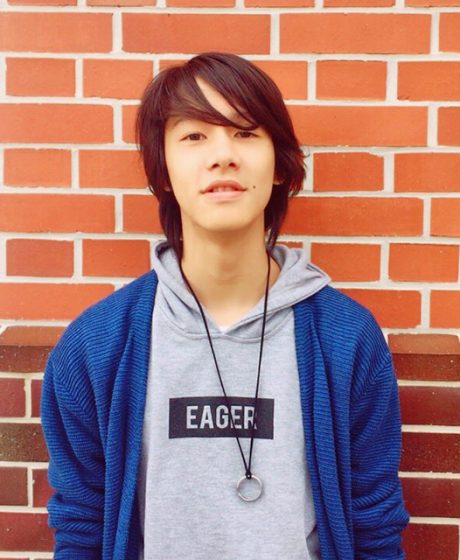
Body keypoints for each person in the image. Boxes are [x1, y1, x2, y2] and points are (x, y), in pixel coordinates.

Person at [40, 52, 409, 559]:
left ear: (278, 166)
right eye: (195, 136)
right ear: (163, 172)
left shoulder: (345, 338)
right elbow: (82, 524)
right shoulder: (96, 345)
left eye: (245, 132)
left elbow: (374, 522)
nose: (222, 155)